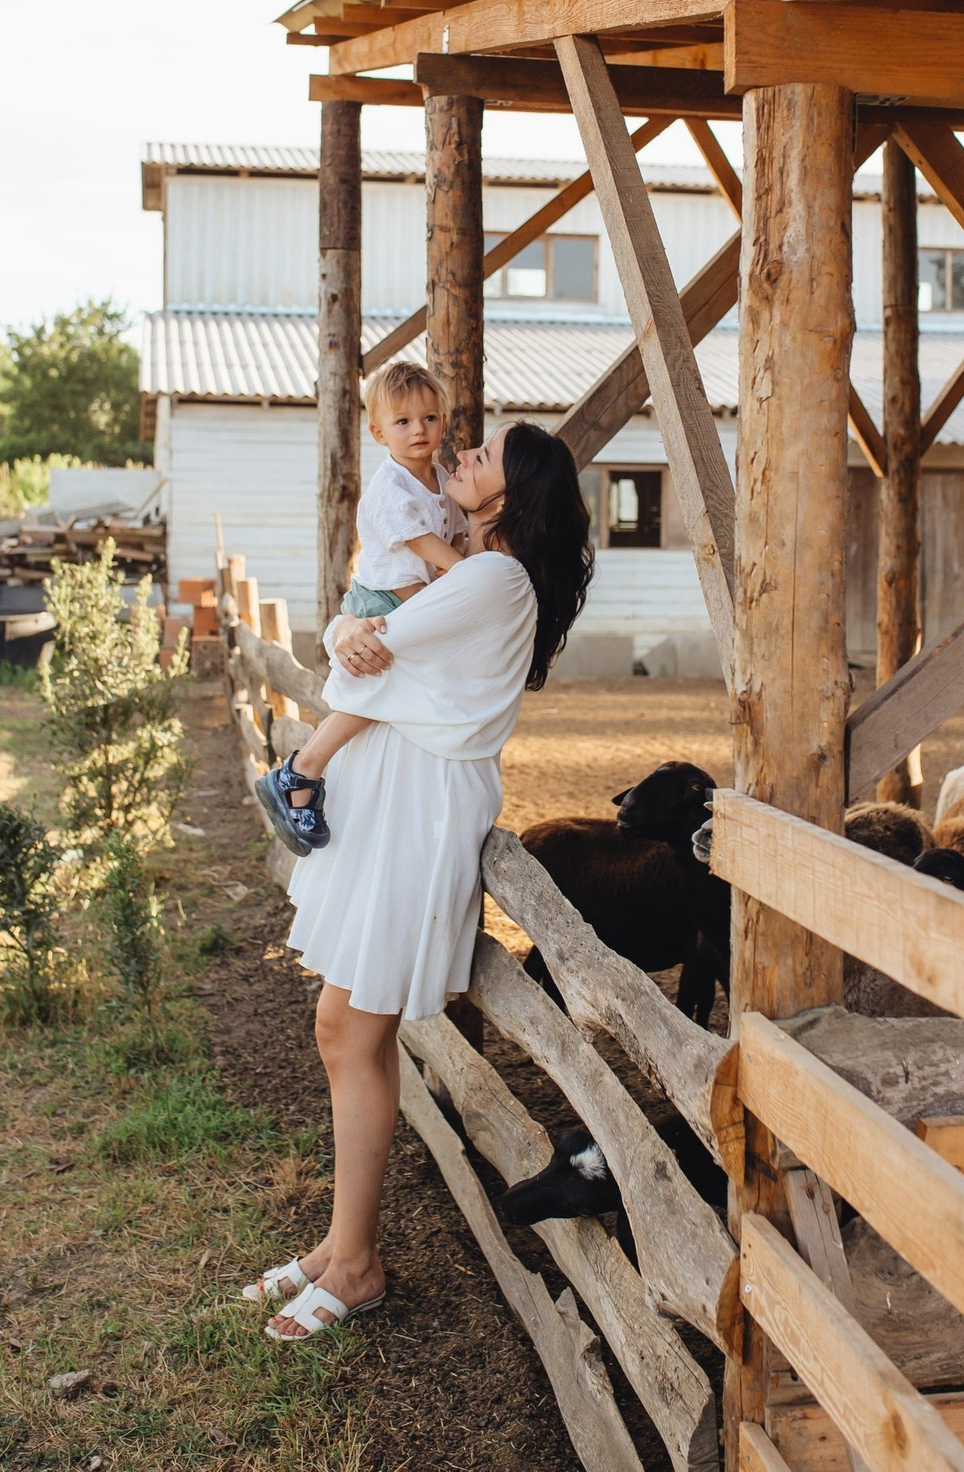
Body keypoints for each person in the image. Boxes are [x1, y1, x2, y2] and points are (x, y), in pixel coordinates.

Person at [243, 420, 594, 1342]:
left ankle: (355, 1263)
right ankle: (337, 1243)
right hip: (403, 799)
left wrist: (352, 630)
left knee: (354, 1031)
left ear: (511, 496)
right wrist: (352, 630)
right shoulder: (477, 576)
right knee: (341, 1026)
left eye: (482, 458)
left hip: (416, 810)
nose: (461, 457)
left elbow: (367, 648)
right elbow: (358, 643)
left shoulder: (490, 577)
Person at [256, 359, 467, 855]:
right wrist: (476, 582)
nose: (419, 429)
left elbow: (456, 538)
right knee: (376, 691)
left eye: (430, 418)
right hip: (384, 599)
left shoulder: (440, 476)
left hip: (414, 598)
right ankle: (302, 769)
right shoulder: (390, 491)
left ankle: (305, 771)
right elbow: (442, 559)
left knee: (393, 691)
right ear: (378, 432)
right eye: (403, 422)